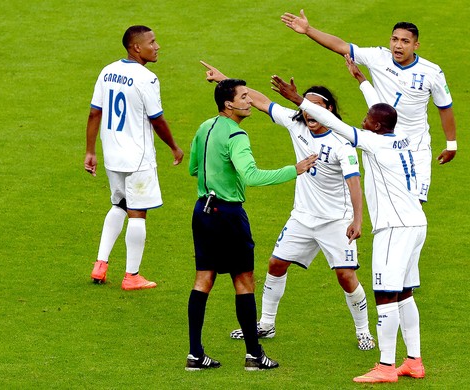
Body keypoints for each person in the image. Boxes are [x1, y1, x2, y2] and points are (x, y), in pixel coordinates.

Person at [199, 62, 375, 351]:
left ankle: (363, 331)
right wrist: (224, 79)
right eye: (306, 106)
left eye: (315, 106)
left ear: (329, 110)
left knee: (346, 276)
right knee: (276, 264)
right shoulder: (297, 124)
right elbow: (262, 101)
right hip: (303, 217)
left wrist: (357, 219)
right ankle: (266, 324)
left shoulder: (342, 142)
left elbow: (354, 181)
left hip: (335, 220)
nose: (309, 112)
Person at [272, 75, 427, 383]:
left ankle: (385, 367)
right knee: (406, 295)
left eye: (367, 121)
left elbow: (335, 124)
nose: (362, 122)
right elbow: (381, 111)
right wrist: (363, 82)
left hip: (393, 228)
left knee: (386, 296)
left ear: (377, 127)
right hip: (416, 224)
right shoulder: (403, 136)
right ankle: (413, 361)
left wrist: (298, 100)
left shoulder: (372, 141)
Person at [185, 77, 318, 371]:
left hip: (202, 212)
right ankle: (254, 356)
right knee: (243, 282)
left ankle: (195, 354)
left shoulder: (205, 127)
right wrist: (294, 169)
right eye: (244, 97)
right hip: (228, 215)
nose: (249, 101)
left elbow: (194, 167)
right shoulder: (237, 136)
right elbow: (252, 176)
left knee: (203, 280)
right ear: (229, 104)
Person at [281, 11, 457, 202]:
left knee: (414, 203)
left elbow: (444, 107)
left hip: (416, 148)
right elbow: (341, 46)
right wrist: (308, 30)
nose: (398, 45)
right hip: (379, 145)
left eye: (405, 41)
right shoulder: (378, 57)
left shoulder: (431, 72)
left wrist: (451, 144)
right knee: (384, 202)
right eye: (394, 39)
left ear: (416, 45)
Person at [84, 25, 184, 290]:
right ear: (136, 47)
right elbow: (157, 120)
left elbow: (95, 112)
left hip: (112, 154)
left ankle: (100, 265)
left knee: (118, 204)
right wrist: (174, 147)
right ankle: (132, 276)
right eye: (152, 41)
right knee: (137, 213)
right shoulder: (146, 78)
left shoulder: (107, 71)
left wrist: (90, 150)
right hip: (138, 157)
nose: (158, 46)